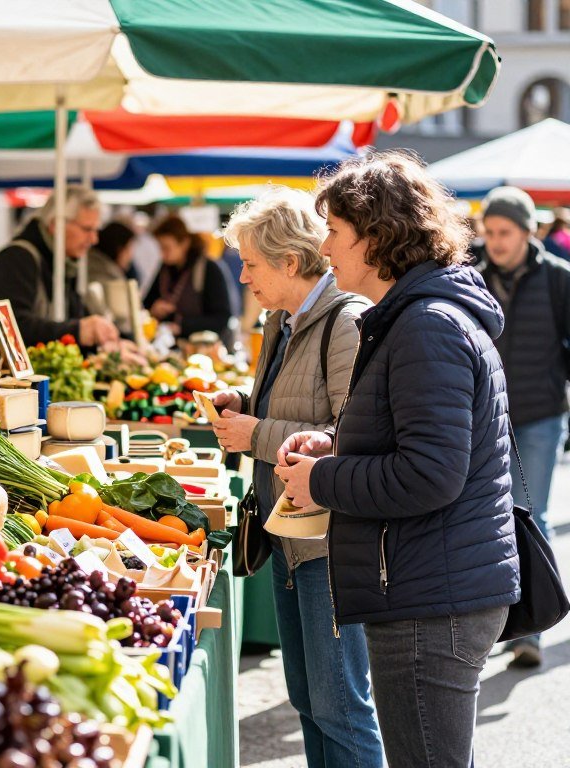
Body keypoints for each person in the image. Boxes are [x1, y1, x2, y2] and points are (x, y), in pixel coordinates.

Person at [274, 151, 519, 768]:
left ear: (377, 236)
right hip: (430, 584)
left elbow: (430, 474)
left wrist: (324, 478)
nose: (324, 247)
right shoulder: (413, 320)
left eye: (334, 231)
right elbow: (413, 439)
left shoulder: (425, 327)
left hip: (432, 596)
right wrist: (335, 446)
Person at [213, 188, 382, 768]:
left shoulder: (346, 321)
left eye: (250, 264)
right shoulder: (280, 320)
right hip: (288, 532)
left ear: (289, 262)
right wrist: (243, 403)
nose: (242, 277)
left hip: (327, 541)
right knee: (309, 700)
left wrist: (255, 432)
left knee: (342, 708)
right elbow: (291, 403)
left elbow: (349, 433)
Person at [476, 185, 570, 667]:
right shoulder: (473, 278)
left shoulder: (558, 278)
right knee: (488, 519)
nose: (495, 241)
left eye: (504, 232)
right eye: (489, 231)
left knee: (532, 515)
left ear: (527, 232)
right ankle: (494, 622)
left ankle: (531, 630)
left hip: (540, 416)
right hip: (484, 419)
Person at [0, 186, 120, 348]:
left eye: (96, 230)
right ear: (56, 225)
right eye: (87, 229)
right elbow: (12, 328)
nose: (94, 239)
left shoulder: (62, 263)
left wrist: (106, 343)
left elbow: (76, 317)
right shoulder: (17, 258)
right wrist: (77, 330)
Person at [145, 215, 232, 340]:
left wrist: (182, 325)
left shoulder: (207, 268)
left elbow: (221, 318)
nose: (162, 254)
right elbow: (147, 303)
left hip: (202, 345)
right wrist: (154, 308)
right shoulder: (165, 269)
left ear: (184, 243)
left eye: (167, 248)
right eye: (160, 248)